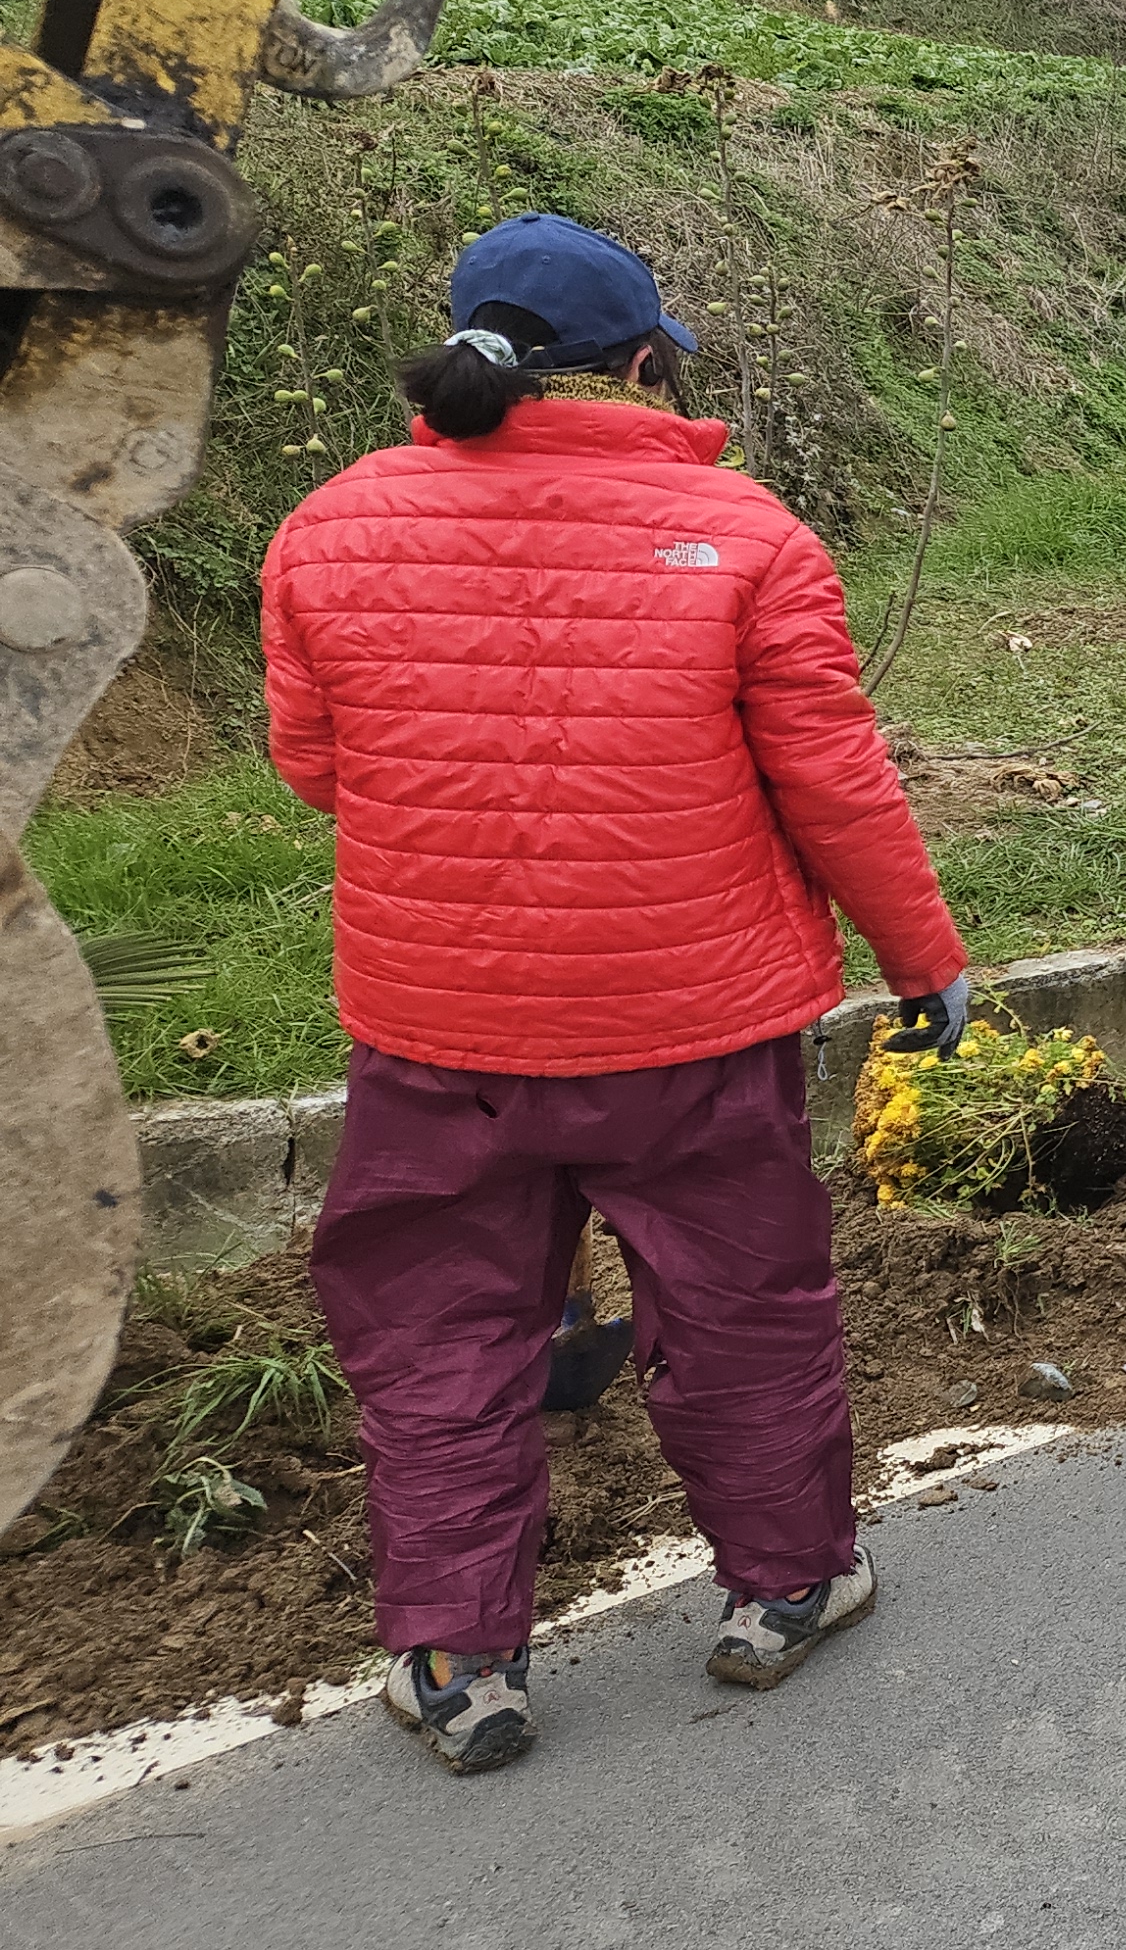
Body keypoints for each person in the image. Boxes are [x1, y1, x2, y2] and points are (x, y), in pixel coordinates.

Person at [259, 214, 969, 1774]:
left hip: (437, 1032)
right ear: (645, 365)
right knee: (745, 1312)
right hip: (693, 1033)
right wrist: (923, 959)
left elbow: (317, 768)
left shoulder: (327, 527)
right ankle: (785, 1590)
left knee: (442, 1335)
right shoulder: (750, 537)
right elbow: (834, 785)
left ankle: (458, 1664)